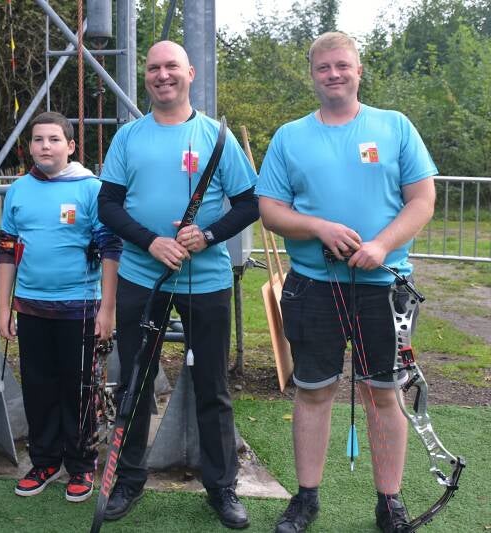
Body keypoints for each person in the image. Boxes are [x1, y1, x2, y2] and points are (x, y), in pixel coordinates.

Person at [257, 32, 437, 533]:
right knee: (313, 391)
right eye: (323, 67)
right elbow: (270, 210)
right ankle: (306, 498)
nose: (333, 74)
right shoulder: (289, 136)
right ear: (312, 74)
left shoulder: (395, 126)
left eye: (342, 65)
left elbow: (422, 200)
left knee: (384, 393)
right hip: (313, 287)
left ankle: (389, 502)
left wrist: (380, 245)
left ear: (359, 70)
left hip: (386, 287)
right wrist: (318, 228)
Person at [97, 41, 259, 529]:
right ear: (145, 76)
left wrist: (207, 236)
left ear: (190, 73)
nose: (162, 75)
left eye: (172, 66)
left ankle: (221, 486)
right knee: (135, 381)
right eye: (154, 68)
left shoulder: (215, 136)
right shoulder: (128, 137)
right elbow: (108, 206)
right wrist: (150, 242)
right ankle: (128, 480)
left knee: (212, 385)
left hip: (206, 281)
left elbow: (250, 203)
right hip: (140, 277)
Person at [0, 111, 121, 503]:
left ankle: (81, 465)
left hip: (80, 310)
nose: (45, 146)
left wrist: (107, 310)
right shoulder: (18, 190)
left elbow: (111, 250)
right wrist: (2, 308)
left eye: (53, 139)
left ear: (70, 146)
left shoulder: (91, 189)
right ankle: (45, 462)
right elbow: (6, 251)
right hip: (31, 309)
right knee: (38, 388)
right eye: (38, 139)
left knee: (79, 390)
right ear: (29, 146)